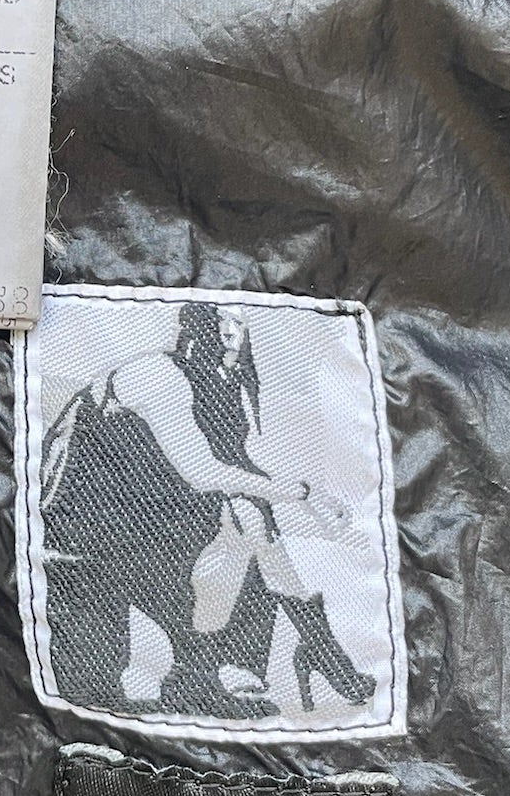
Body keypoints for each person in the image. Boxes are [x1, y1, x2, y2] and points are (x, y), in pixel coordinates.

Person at [41, 302, 374, 717]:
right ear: (194, 328)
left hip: (143, 532)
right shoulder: (158, 375)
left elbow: (236, 470)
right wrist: (304, 495)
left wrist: (279, 515)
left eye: (239, 323)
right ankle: (311, 657)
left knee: (250, 523)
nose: (231, 333)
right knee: (88, 697)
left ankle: (245, 669)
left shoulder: (215, 387)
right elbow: (202, 473)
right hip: (81, 540)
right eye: (220, 321)